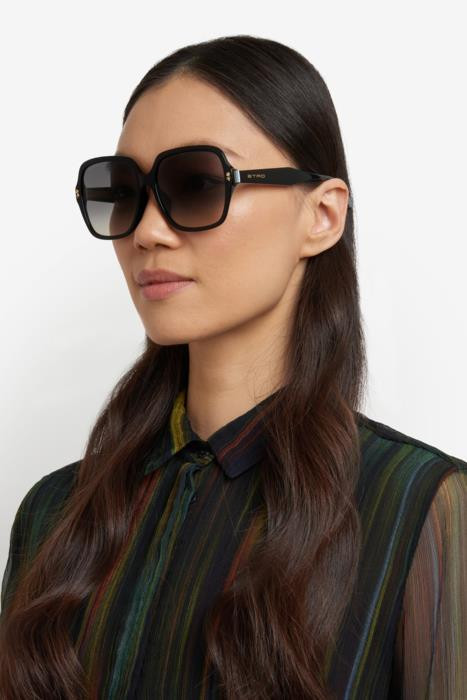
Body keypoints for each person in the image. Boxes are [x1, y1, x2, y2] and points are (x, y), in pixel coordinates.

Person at [0, 34, 465, 700]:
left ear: (322, 215)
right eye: (122, 192)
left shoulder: (419, 507)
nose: (146, 231)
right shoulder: (56, 514)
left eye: (197, 184)